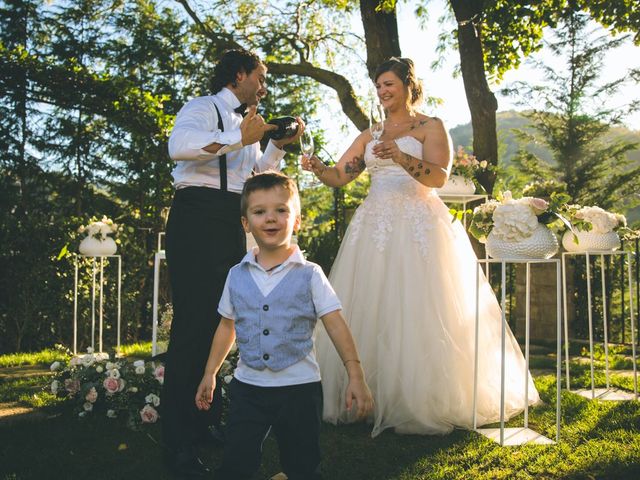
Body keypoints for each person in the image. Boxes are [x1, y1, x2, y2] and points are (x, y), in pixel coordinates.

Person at [303, 57, 540, 437]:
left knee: (420, 307)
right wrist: (317, 168)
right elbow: (339, 176)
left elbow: (438, 176)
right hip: (374, 226)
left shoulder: (431, 126)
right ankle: (368, 392)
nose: (382, 92)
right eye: (378, 86)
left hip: (419, 224)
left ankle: (423, 397)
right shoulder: (370, 134)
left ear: (408, 86)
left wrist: (401, 156)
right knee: (371, 304)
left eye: (389, 84)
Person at [163, 49, 304, 477]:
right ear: (239, 75)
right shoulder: (202, 108)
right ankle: (177, 446)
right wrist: (239, 138)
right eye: (260, 77)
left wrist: (275, 144)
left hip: (230, 220)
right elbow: (179, 148)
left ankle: (205, 423)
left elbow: (250, 175)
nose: (263, 85)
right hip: (196, 217)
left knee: (222, 321)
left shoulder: (250, 124)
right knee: (192, 327)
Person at [195, 171, 374, 479]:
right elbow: (227, 326)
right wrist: (210, 373)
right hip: (248, 387)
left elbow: (335, 324)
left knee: (303, 465)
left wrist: (355, 372)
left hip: (299, 389)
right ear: (245, 223)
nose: (271, 219)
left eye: (281, 210)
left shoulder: (311, 274)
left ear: (297, 220)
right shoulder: (236, 275)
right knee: (236, 463)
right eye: (259, 211)